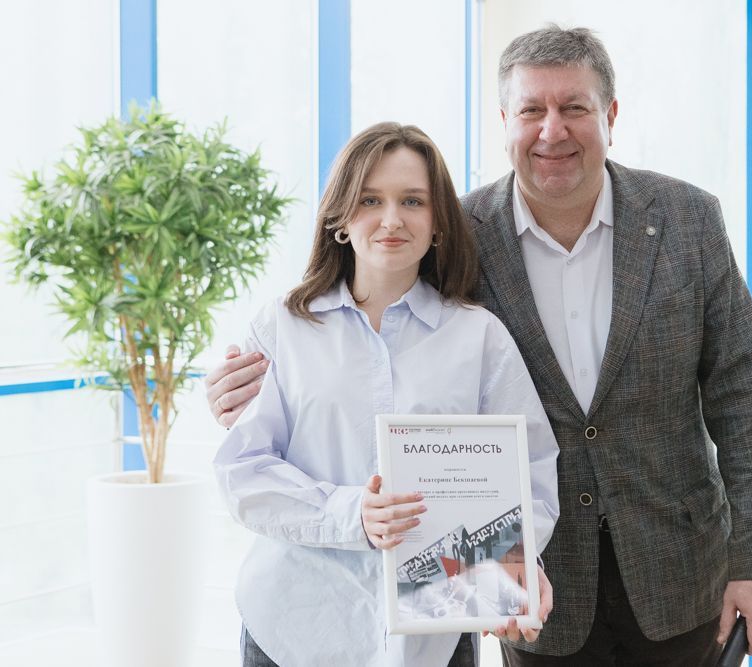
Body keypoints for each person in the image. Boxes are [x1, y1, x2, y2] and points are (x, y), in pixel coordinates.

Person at [208, 26, 752, 665]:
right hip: (533, 594)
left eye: (574, 107)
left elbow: (741, 396)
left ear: (610, 115)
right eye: (531, 109)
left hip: (677, 572)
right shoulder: (457, 232)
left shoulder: (686, 219)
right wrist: (239, 386)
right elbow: (354, 323)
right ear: (505, 121)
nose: (552, 130)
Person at [213, 122, 559, 667]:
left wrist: (511, 567)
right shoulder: (284, 326)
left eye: (412, 201)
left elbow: (530, 473)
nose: (392, 219)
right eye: (370, 199)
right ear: (340, 218)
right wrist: (354, 513)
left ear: (438, 223)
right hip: (293, 627)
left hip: (435, 638)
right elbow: (245, 472)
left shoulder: (479, 337)